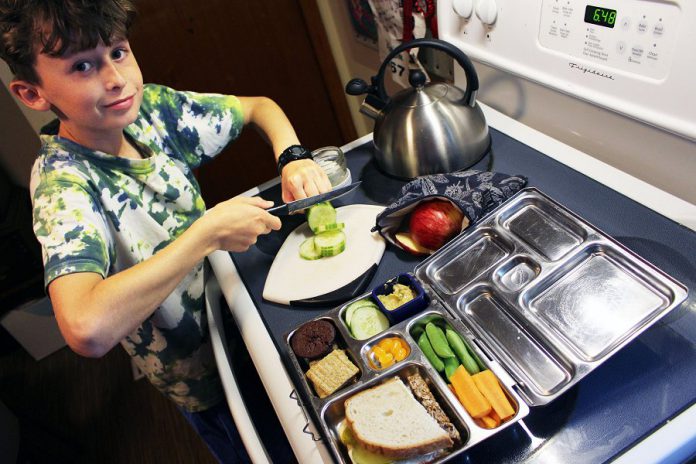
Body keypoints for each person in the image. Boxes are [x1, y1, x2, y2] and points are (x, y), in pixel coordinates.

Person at [0, 0, 332, 462]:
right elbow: (85, 328)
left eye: (118, 52)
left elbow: (260, 107)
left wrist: (292, 155)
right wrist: (206, 233)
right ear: (32, 93)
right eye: (81, 66)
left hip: (243, 316)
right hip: (204, 376)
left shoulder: (150, 109)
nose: (116, 78)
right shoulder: (63, 185)